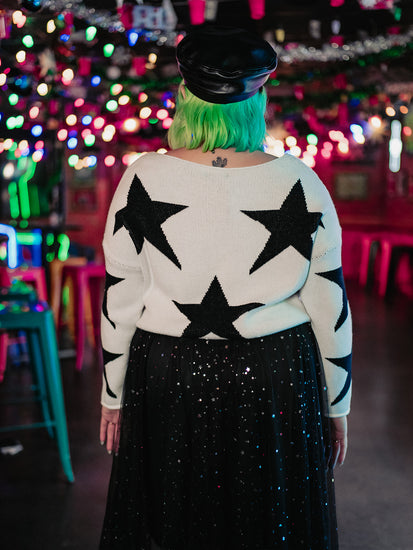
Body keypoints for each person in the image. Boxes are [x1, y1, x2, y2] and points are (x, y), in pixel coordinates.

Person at [99, 26, 352, 550]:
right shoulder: (302, 183)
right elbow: (329, 305)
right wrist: (337, 406)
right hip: (277, 376)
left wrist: (112, 396)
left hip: (168, 373)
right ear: (257, 100)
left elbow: (121, 297)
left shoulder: (141, 178)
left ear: (185, 98)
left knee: (175, 524)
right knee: (270, 527)